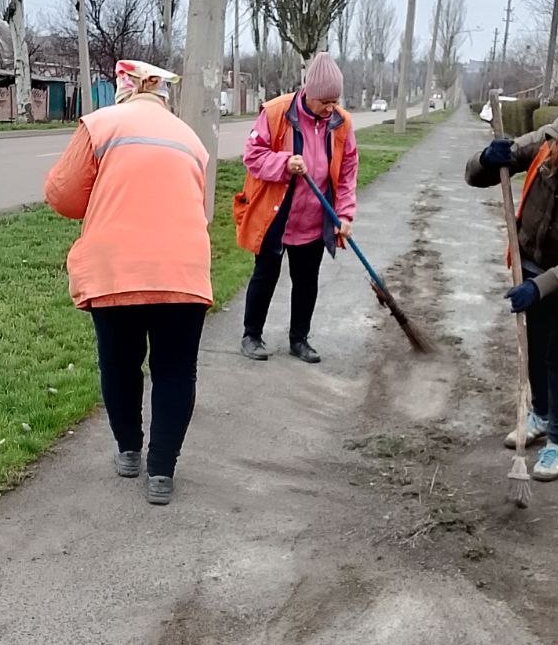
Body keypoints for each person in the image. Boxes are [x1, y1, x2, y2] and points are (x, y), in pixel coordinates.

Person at [44, 59, 212, 506]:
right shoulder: (191, 139)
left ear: (124, 89)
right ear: (161, 94)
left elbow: (61, 195)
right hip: (183, 271)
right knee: (176, 371)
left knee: (120, 363)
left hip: (116, 270)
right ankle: (162, 472)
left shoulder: (101, 125)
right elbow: (198, 204)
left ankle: (129, 451)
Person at [465, 95, 558, 481]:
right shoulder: (546, 143)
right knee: (533, 346)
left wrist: (540, 288)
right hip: (530, 265)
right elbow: (476, 175)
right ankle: (540, 414)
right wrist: (487, 159)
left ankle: (557, 442)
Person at [235, 52, 359, 364]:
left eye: (335, 101)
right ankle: (252, 335)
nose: (330, 108)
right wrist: (284, 162)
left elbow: (347, 173)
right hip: (275, 214)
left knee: (307, 281)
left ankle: (299, 339)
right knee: (265, 276)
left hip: (314, 218)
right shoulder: (277, 112)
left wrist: (344, 214)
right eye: (324, 101)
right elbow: (252, 155)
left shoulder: (340, 123)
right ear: (308, 92)